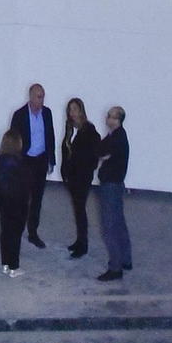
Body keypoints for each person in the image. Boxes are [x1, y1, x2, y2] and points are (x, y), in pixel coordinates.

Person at [8, 81, 54, 246]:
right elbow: (13, 141)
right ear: (31, 97)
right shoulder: (19, 115)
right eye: (39, 97)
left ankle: (33, 232)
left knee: (37, 198)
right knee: (22, 197)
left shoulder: (47, 113)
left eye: (43, 97)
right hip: (25, 161)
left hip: (41, 160)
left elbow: (50, 136)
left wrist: (51, 159)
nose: (42, 100)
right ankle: (17, 229)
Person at [60, 98, 101, 258]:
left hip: (82, 177)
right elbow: (66, 150)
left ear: (81, 111)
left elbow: (93, 154)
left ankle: (83, 244)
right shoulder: (70, 129)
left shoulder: (89, 130)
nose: (72, 113)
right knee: (77, 209)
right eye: (70, 110)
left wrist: (86, 168)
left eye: (75, 109)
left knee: (80, 209)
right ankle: (79, 240)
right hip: (72, 176)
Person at [96, 105, 131, 281]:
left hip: (110, 185)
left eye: (110, 116)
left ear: (117, 120)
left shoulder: (116, 139)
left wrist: (102, 156)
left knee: (109, 227)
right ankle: (126, 259)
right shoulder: (117, 135)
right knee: (119, 223)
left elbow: (101, 151)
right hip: (116, 184)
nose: (107, 118)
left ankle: (116, 268)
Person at [0, 128, 28, 277]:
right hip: (17, 202)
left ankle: (5, 263)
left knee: (5, 231)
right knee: (15, 233)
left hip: (3, 200)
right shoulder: (18, 161)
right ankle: (14, 266)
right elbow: (24, 183)